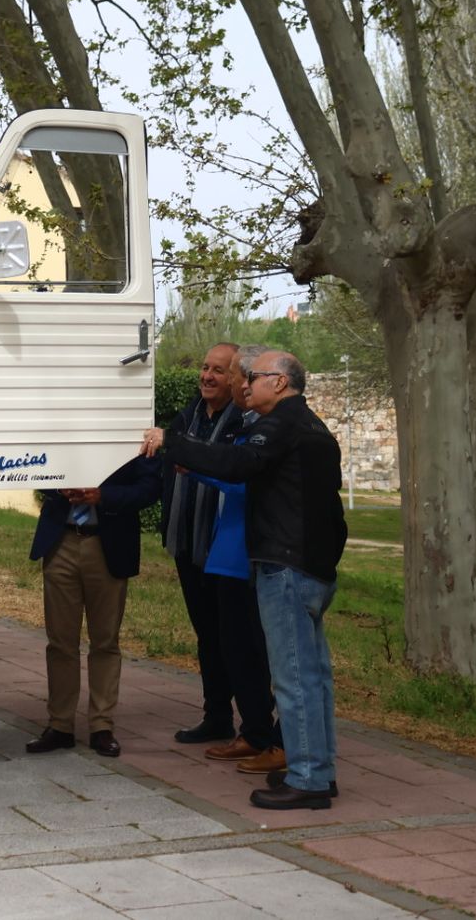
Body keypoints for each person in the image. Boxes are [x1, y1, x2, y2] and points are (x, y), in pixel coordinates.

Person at [161, 350, 346, 810]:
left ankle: (307, 780)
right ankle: (319, 768)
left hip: (286, 566)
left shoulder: (280, 425)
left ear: (280, 383)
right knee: (315, 676)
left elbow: (238, 465)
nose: (247, 385)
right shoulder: (314, 428)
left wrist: (171, 442)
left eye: (255, 377)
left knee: (295, 677)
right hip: (314, 567)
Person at [183, 345, 283, 773]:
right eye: (243, 378)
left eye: (248, 377)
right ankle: (254, 732)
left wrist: (191, 462)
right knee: (234, 651)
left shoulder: (270, 429)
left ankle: (273, 740)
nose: (243, 385)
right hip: (225, 557)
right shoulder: (246, 424)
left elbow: (243, 482)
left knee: (258, 654)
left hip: (248, 558)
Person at [24, 455, 161, 759]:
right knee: (60, 641)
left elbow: (150, 487)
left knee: (105, 641)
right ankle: (60, 725)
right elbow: (32, 467)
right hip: (61, 541)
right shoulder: (63, 417)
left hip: (108, 544)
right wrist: (58, 487)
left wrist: (103, 496)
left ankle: (101, 726)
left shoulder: (132, 426)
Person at [142, 343, 243, 746]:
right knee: (206, 634)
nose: (207, 376)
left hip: (225, 547)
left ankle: (258, 724)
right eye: (204, 367)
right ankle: (217, 716)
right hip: (187, 544)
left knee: (236, 638)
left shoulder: (244, 422)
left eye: (218, 370)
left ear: (235, 378)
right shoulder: (187, 417)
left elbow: (228, 467)